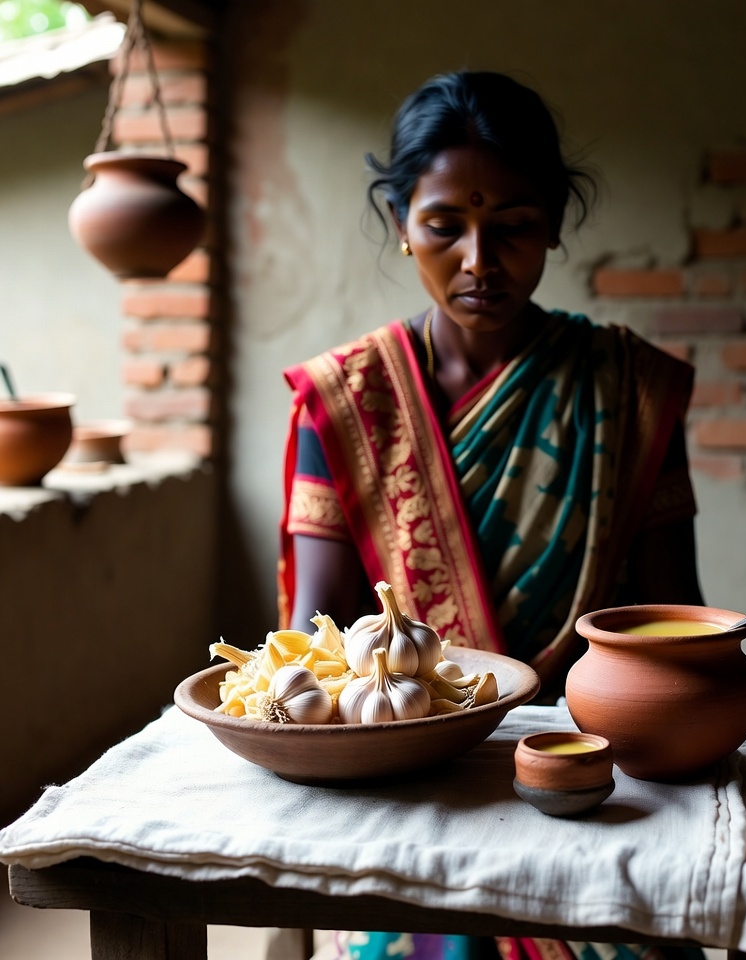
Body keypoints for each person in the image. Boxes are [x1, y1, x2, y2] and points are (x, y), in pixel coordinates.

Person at [277, 71, 706, 960]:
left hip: (590, 776)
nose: (479, 259)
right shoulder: (349, 403)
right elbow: (314, 652)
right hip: (406, 784)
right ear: (402, 227)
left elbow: (674, 623)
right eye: (444, 226)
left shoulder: (626, 394)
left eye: (512, 226)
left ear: (552, 224)